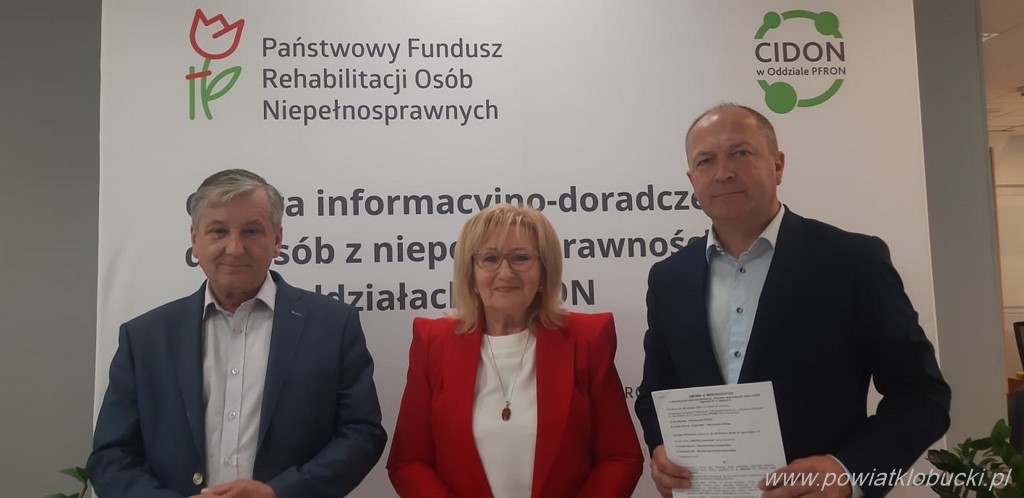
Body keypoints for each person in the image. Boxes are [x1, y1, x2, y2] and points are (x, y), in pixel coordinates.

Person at [634, 104, 951, 498]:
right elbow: (655, 393)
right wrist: (661, 449)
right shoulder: (668, 278)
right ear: (691, 178)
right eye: (706, 160)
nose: (723, 172)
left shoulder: (853, 261)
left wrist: (847, 472)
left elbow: (922, 394)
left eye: (741, 153)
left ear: (778, 165)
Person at [88, 169, 387, 498]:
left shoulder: (332, 326)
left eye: (252, 231)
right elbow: (111, 456)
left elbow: (362, 434)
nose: (234, 248)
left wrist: (280, 493)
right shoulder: (145, 338)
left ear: (277, 240)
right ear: (195, 240)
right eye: (218, 231)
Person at [387, 204, 644, 498]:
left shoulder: (588, 340)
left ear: (545, 270)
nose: (505, 272)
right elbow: (409, 462)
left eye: (521, 257)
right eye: (490, 258)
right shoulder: (433, 342)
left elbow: (619, 458)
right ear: (470, 272)